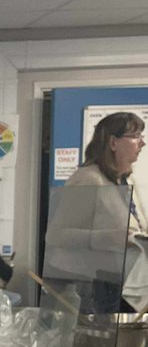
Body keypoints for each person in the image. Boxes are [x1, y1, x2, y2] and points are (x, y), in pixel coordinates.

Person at [45, 112, 146, 314]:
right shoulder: (89, 180)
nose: (142, 143)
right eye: (135, 136)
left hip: (118, 282)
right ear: (113, 143)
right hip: (87, 287)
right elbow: (55, 236)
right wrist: (105, 237)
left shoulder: (126, 180)